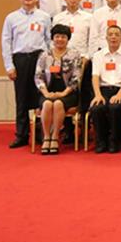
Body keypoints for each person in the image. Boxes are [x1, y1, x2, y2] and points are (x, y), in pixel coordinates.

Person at [1, 0, 51, 148]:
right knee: (21, 99)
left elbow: (49, 41)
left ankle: (41, 133)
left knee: (40, 97)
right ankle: (21, 135)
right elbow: (6, 42)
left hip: (39, 59)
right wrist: (9, 66)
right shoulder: (11, 18)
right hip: (20, 60)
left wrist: (48, 63)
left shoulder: (44, 17)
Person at [34, 25, 81, 154]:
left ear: (68, 39)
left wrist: (64, 93)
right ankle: (46, 137)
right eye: (57, 36)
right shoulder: (45, 55)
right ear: (53, 38)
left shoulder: (74, 55)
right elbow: (38, 76)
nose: (60, 39)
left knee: (58, 103)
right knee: (47, 104)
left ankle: (55, 137)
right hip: (47, 91)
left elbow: (76, 78)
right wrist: (46, 93)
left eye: (63, 37)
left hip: (68, 93)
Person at [90, 25, 121, 153]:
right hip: (103, 90)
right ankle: (101, 141)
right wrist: (97, 95)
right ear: (106, 38)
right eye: (110, 34)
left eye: (116, 34)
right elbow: (95, 76)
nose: (113, 37)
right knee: (97, 108)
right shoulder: (98, 55)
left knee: (115, 107)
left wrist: (119, 94)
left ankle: (115, 140)